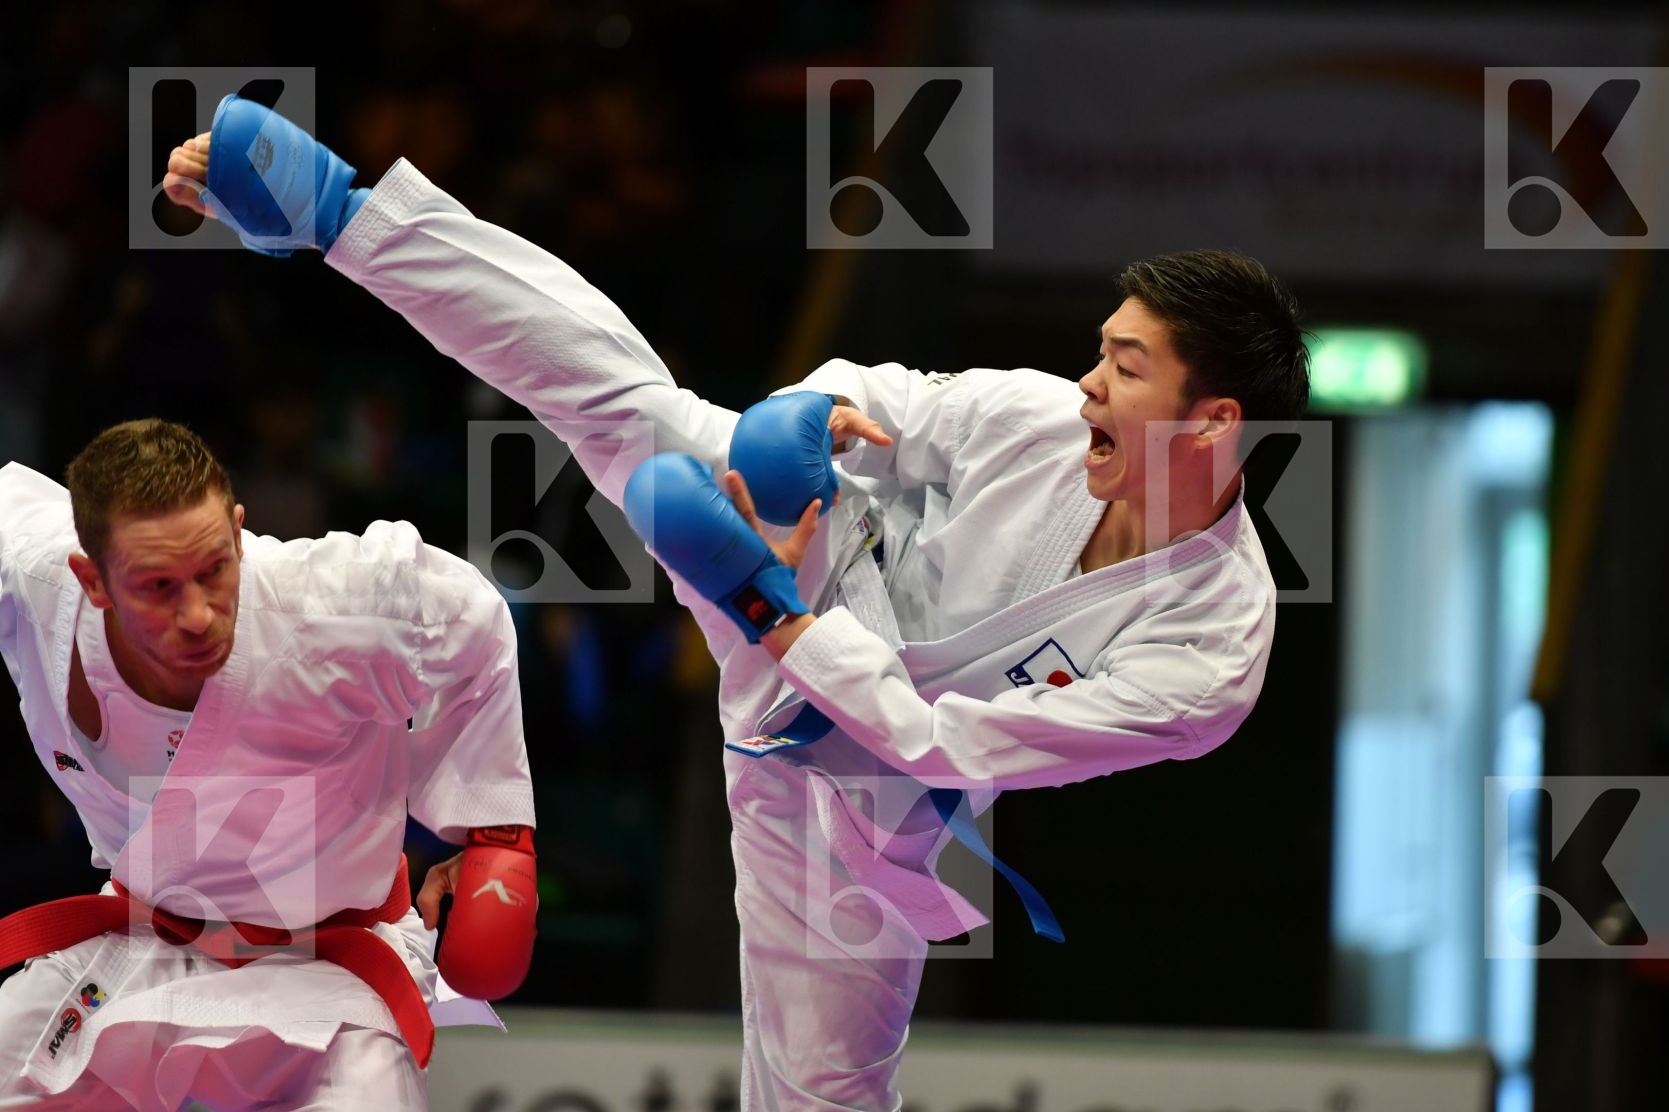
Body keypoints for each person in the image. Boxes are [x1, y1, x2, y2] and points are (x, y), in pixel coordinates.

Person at [164, 97, 1308, 1111]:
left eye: (1124, 367)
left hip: (868, 793)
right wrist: (815, 414)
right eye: (1098, 355)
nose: (1088, 384)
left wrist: (776, 626)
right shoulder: (1044, 419)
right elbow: (885, 396)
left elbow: (958, 743)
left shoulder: (1210, 654)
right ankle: (338, 212)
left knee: (824, 1099)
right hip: (810, 550)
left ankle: (747, 576)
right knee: (627, 408)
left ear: (1212, 424)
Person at [0, 419, 538, 1110]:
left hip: (329, 968)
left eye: (215, 569)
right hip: (143, 942)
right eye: (158, 587)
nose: (196, 614)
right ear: (91, 580)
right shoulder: (32, 574)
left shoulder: (331, 607)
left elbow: (474, 619)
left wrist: (494, 832)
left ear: (237, 530)